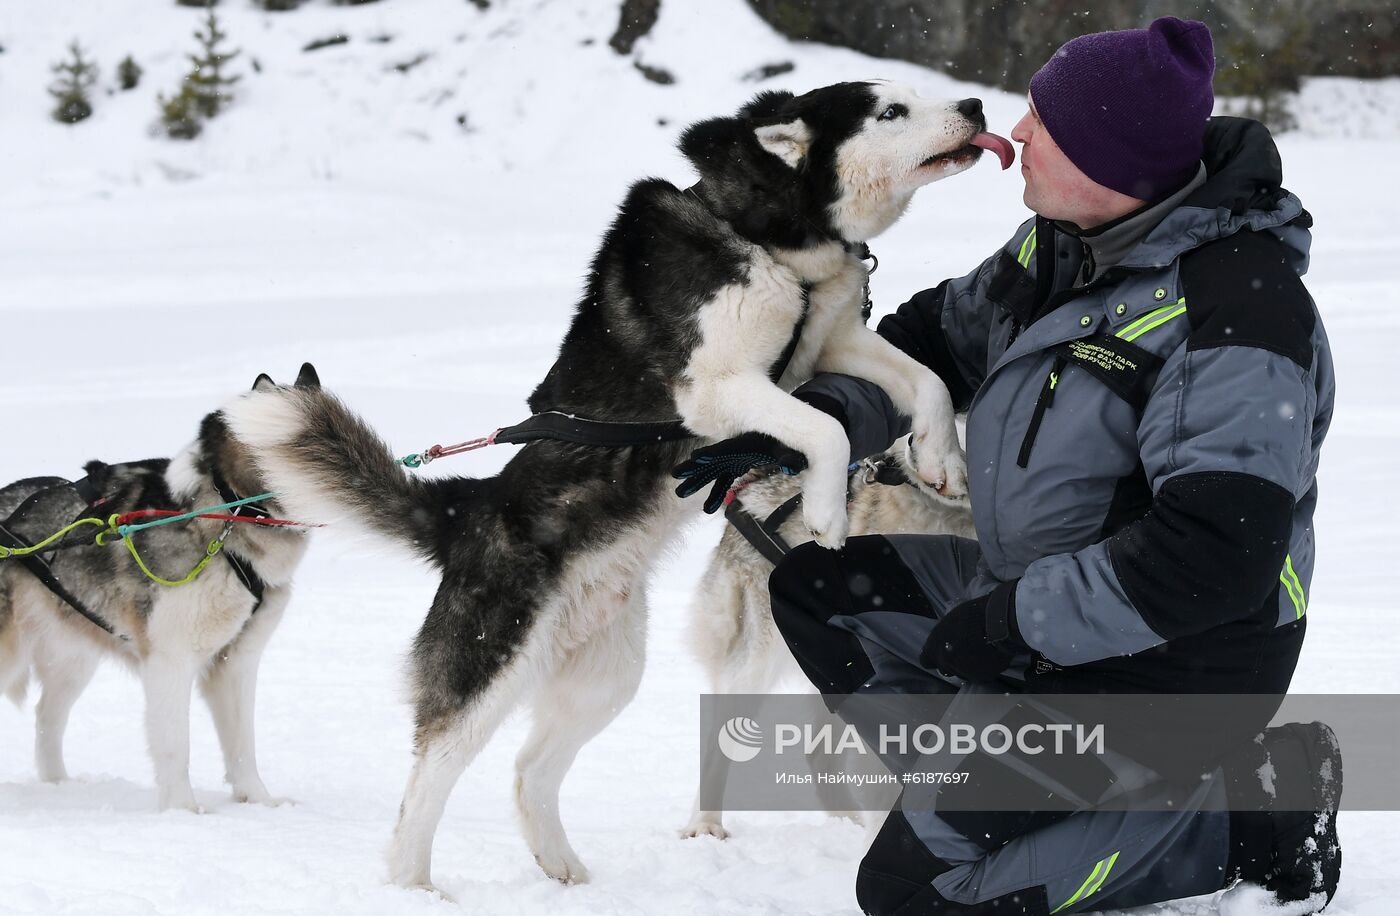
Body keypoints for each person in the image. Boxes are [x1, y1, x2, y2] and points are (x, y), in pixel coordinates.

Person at [673, 17, 1342, 916]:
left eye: (1046, 124)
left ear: (1116, 159)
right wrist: (808, 421)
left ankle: (1257, 811)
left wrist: (1013, 625)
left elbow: (1216, 556)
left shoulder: (1236, 318)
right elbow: (928, 346)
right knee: (820, 586)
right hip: (1040, 604)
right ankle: (1000, 797)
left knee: (920, 892)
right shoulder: (1063, 244)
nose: (1015, 133)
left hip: (1177, 664)